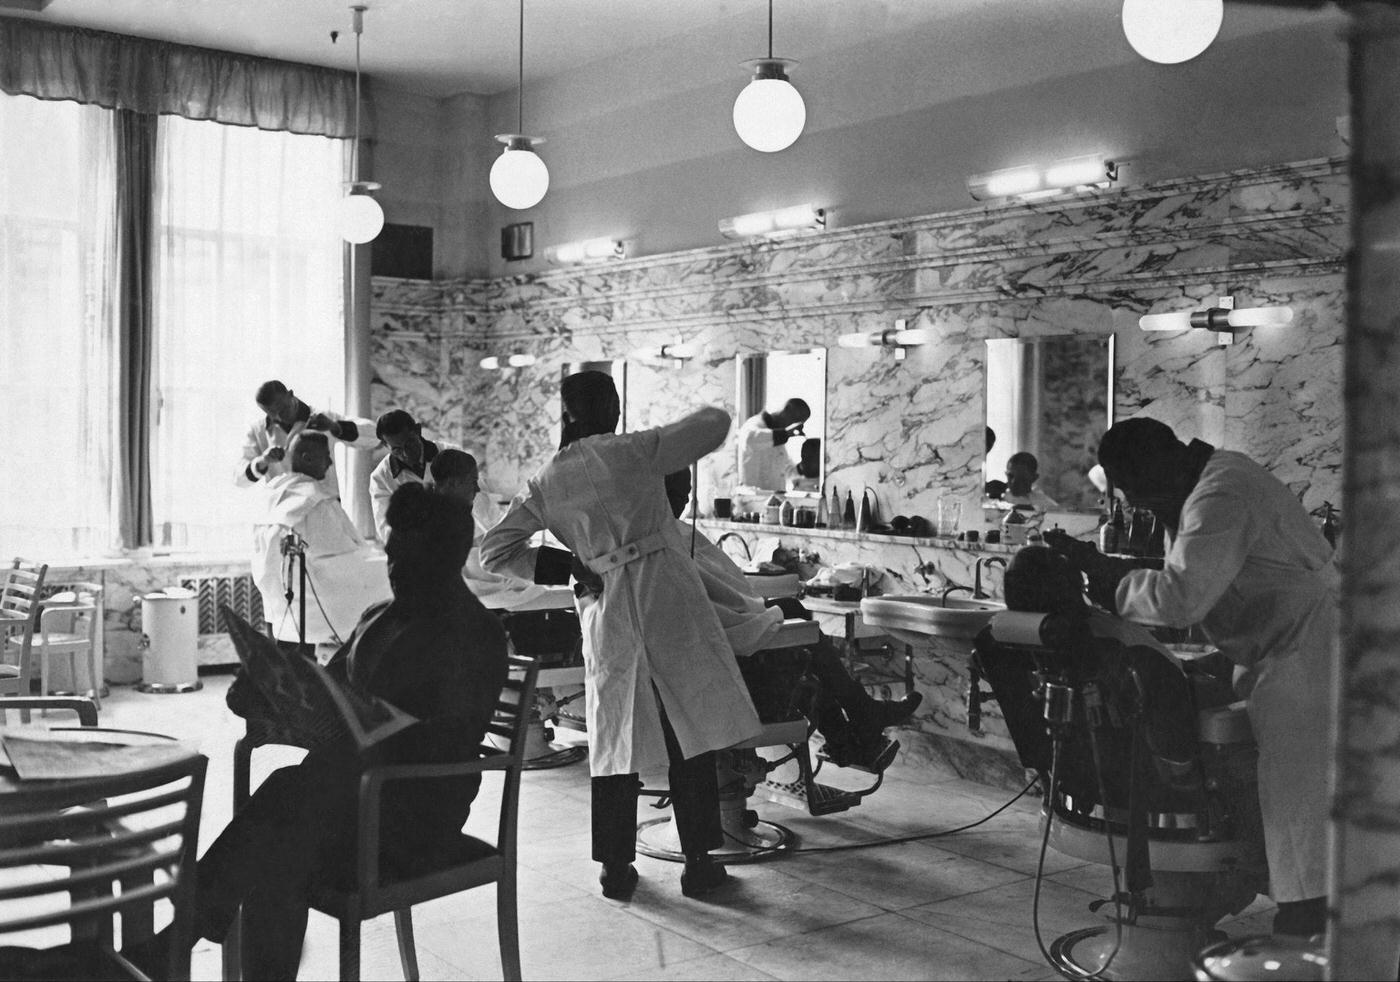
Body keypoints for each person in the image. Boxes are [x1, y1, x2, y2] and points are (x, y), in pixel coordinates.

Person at [132, 483, 509, 979]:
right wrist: (268, 695)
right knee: (282, 841)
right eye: (391, 558)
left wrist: (373, 730)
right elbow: (326, 695)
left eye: (408, 561)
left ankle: (173, 945)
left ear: (447, 557)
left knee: (283, 817)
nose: (394, 572)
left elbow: (445, 744)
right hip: (340, 798)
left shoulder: (474, 635)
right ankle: (175, 947)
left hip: (413, 814)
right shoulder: (380, 618)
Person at [480, 371, 758, 901]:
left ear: (565, 413)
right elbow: (717, 422)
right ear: (609, 406)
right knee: (689, 730)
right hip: (666, 595)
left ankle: (614, 866)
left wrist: (567, 564)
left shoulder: (548, 478)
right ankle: (700, 863)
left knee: (613, 735)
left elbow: (496, 551)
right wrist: (667, 434)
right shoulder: (637, 450)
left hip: (606, 601)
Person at [1057, 416, 1335, 939]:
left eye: (1139, 494)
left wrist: (1115, 584)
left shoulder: (1220, 493)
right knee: (1289, 800)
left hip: (1309, 651)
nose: (1142, 507)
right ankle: (1284, 898)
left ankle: (1308, 927)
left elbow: (1183, 595)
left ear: (1156, 472)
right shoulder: (1202, 483)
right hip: (1279, 648)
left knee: (1299, 800)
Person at [650, 466, 923, 770]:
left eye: (686, 495)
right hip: (712, 675)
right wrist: (756, 610)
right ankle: (858, 725)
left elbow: (720, 594)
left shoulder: (667, 534)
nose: (683, 503)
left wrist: (754, 608)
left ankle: (852, 737)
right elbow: (713, 603)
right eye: (675, 494)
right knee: (802, 644)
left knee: (801, 640)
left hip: (699, 665)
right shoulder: (665, 540)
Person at [251, 431, 391, 650]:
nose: (330, 462)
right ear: (307, 458)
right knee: (390, 576)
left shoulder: (274, 492)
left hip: (275, 593)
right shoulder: (315, 500)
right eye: (326, 456)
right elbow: (344, 550)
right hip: (310, 592)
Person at [430, 448, 551, 609]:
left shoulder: (453, 507)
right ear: (453, 483)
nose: (477, 488)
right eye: (472, 481)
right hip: (468, 588)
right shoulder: (437, 517)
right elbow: (488, 551)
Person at [235, 379, 377, 500]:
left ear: (290, 395)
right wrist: (262, 461)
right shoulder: (258, 431)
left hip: (323, 506)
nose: (280, 417)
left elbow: (374, 436)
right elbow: (239, 480)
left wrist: (335, 427)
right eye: (272, 414)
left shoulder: (324, 418)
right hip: (282, 512)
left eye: (284, 409)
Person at [369, 408, 454, 542]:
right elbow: (386, 527)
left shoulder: (451, 455)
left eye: (410, 443)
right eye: (397, 449)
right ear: (385, 445)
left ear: (417, 431)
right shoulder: (381, 477)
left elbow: (478, 502)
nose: (406, 454)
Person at [736, 397, 810, 491]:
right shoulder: (753, 424)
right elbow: (749, 440)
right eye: (795, 420)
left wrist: (807, 464)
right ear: (787, 409)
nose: (793, 425)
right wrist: (785, 434)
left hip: (772, 501)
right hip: (752, 500)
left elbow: (788, 471)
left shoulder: (779, 444)